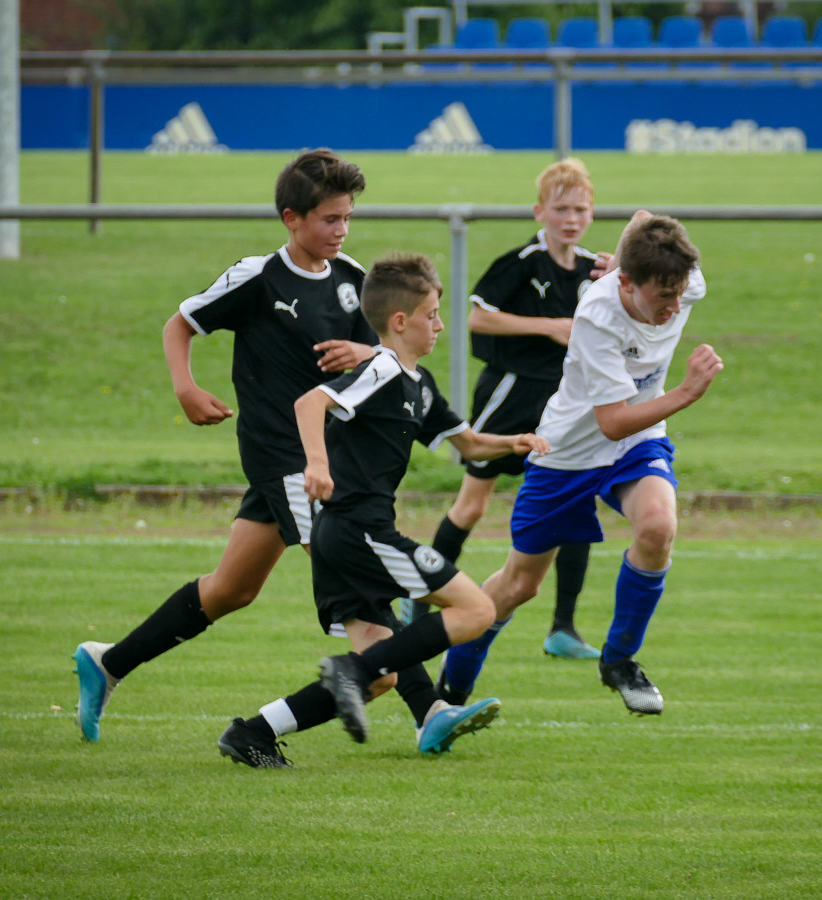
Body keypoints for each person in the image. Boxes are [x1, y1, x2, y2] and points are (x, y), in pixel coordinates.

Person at [70, 149, 380, 743]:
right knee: (360, 584)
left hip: (323, 459)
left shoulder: (352, 281)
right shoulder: (258, 276)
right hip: (283, 459)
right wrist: (186, 388)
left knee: (231, 589)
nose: (341, 230)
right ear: (292, 218)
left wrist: (363, 354)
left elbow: (381, 361)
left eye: (347, 218)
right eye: (329, 220)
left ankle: (108, 663)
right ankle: (431, 708)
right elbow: (180, 323)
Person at [217, 253, 551, 767]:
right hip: (358, 531)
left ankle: (253, 734)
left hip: (341, 537)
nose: (440, 325)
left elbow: (468, 445)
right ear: (401, 322)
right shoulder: (382, 368)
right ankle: (350, 671)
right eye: (433, 314)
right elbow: (310, 404)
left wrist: (514, 443)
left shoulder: (419, 384)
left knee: (383, 676)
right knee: (478, 610)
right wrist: (316, 463)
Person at [437, 212, 722, 716]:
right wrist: (686, 392)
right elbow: (612, 421)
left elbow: (642, 220)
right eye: (663, 298)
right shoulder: (598, 317)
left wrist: (624, 255)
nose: (675, 308)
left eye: (680, 295)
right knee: (519, 586)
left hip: (636, 444)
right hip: (568, 452)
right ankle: (448, 695)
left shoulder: (680, 278)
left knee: (657, 527)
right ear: (629, 285)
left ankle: (620, 661)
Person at [417, 158, 607, 660]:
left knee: (574, 502)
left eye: (581, 209)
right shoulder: (522, 261)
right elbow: (480, 320)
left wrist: (621, 279)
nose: (571, 218)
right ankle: (419, 599)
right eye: (562, 208)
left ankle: (563, 627)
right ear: (539, 211)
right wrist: (547, 326)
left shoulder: (596, 270)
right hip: (510, 394)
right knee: (473, 505)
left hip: (565, 404)